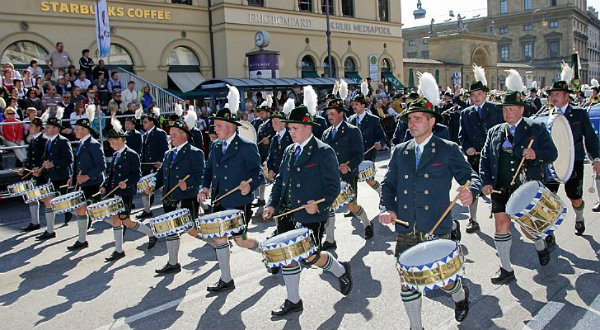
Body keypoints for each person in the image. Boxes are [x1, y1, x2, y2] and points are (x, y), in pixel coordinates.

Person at [379, 98, 480, 330]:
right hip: (406, 228)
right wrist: (387, 208)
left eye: (417, 119)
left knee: (442, 281)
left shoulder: (447, 149)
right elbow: (388, 185)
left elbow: (470, 177)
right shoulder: (401, 151)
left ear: (431, 121)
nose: (411, 124)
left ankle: (459, 294)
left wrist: (470, 191)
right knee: (407, 281)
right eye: (409, 119)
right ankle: (416, 326)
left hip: (436, 225)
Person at [262, 101, 353, 317]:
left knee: (310, 257)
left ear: (308, 127)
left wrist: (318, 204)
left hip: (311, 215)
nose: (291, 132)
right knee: (289, 255)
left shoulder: (324, 151)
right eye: (289, 129)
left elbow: (332, 187)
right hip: (287, 213)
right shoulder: (289, 150)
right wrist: (271, 204)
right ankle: (293, 300)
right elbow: (280, 181)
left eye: (295, 128)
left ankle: (340, 270)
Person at [479, 86, 558, 283]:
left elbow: (552, 154)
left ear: (522, 109)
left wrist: (535, 155)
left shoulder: (536, 128)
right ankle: (506, 268)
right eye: (505, 109)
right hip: (500, 187)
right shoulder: (494, 132)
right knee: (500, 224)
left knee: (527, 228)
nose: (508, 113)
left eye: (512, 109)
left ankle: (539, 244)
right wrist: (486, 182)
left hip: (526, 189)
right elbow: (485, 159)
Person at [197, 90, 264, 292]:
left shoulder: (246, 146)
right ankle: (226, 279)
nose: (215, 129)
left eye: (218, 126)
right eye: (215, 126)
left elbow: (258, 174)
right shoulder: (216, 146)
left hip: (239, 201)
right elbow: (208, 169)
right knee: (219, 237)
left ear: (229, 127)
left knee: (240, 240)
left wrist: (248, 185)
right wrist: (204, 186)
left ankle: (267, 253)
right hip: (219, 199)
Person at [544, 78, 600, 240]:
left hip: (573, 162)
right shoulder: (545, 114)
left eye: (557, 94)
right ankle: (549, 232)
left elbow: (590, 137)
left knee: (574, 196)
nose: (554, 97)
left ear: (566, 96)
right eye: (552, 94)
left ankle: (579, 217)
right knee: (549, 198)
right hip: (551, 163)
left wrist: (596, 158)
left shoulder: (579, 113)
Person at [146, 120, 205, 273]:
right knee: (171, 229)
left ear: (183, 135)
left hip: (188, 197)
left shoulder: (195, 152)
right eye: (170, 134)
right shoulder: (168, 154)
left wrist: (189, 185)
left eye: (173, 134)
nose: (170, 137)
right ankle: (173, 263)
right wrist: (153, 184)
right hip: (169, 197)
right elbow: (160, 174)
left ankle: (216, 244)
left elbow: (201, 175)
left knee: (191, 230)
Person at [100, 119, 157, 262]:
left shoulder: (132, 154)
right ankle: (118, 250)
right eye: (110, 142)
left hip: (126, 193)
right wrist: (104, 185)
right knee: (117, 220)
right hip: (115, 192)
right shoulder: (116, 155)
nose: (110, 145)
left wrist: (127, 184)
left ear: (121, 140)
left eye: (113, 142)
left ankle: (150, 233)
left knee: (125, 220)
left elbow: (136, 175)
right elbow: (111, 174)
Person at [458, 65, 504, 235]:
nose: (476, 98)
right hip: (475, 157)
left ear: (485, 94)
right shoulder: (465, 113)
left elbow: (504, 131)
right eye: (473, 95)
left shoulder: (497, 109)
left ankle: (502, 217)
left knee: (496, 187)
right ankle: (473, 219)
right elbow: (462, 135)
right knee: (472, 187)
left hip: (495, 156)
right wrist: (467, 147)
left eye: (479, 94)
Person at [321, 98, 373, 245]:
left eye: (332, 113)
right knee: (330, 206)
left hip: (348, 175)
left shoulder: (352, 130)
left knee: (351, 206)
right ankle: (330, 239)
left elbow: (359, 154)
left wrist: (349, 166)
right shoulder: (326, 133)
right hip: (331, 176)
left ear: (341, 114)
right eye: (328, 114)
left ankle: (367, 223)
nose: (329, 116)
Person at [66, 112, 106, 251]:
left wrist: (87, 176)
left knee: (99, 213)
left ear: (85, 130)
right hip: (83, 183)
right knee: (81, 210)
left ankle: (122, 223)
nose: (74, 131)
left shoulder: (93, 144)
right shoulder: (82, 143)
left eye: (77, 129)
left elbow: (101, 165)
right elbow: (78, 164)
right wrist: (73, 175)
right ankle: (82, 240)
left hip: (93, 183)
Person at [35, 116, 74, 240]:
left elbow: (69, 159)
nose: (46, 129)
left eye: (48, 127)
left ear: (56, 128)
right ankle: (50, 230)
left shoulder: (63, 141)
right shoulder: (48, 142)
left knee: (58, 202)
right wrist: (40, 169)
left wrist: (54, 164)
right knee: (49, 201)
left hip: (62, 176)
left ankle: (82, 213)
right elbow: (45, 159)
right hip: (52, 176)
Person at [348, 83, 386, 198]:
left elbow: (381, 136)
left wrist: (380, 143)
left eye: (357, 104)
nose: (354, 106)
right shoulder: (350, 120)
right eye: (353, 104)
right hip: (354, 155)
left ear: (363, 105)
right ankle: (353, 207)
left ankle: (382, 192)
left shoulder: (373, 120)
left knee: (368, 179)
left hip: (368, 153)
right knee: (352, 180)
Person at [138, 108, 169, 219]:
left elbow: (165, 149)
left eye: (145, 121)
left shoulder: (160, 133)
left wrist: (162, 162)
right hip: (147, 165)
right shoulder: (145, 135)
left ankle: (169, 208)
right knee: (145, 188)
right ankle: (147, 210)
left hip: (157, 166)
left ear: (152, 122)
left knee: (162, 188)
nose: (143, 124)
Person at [19, 117, 47, 232]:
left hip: (42, 173)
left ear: (39, 128)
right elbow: (29, 157)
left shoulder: (44, 140)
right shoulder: (33, 140)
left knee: (47, 199)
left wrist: (40, 168)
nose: (30, 128)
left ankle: (65, 214)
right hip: (33, 173)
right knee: (31, 197)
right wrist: (24, 168)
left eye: (32, 126)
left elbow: (45, 157)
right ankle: (34, 222)